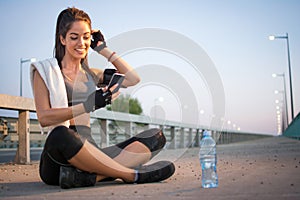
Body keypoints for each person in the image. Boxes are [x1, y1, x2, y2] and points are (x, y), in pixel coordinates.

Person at [30, 7, 175, 189]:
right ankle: (129, 175)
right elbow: (44, 118)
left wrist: (103, 50)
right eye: (74, 37)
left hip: (91, 151)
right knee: (61, 134)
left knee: (155, 137)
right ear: (62, 39)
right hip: (60, 157)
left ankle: (89, 177)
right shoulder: (45, 72)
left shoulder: (92, 74)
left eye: (86, 37)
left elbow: (132, 78)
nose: (81, 43)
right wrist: (87, 105)